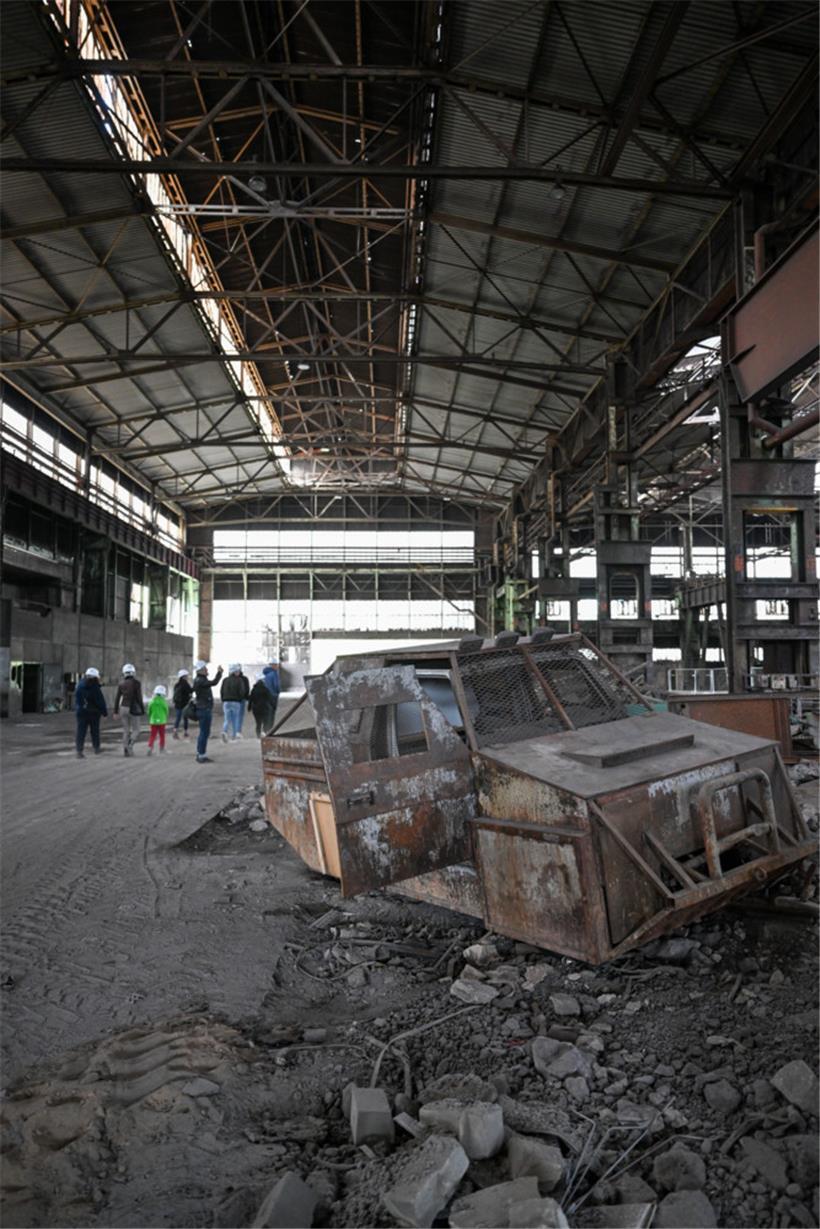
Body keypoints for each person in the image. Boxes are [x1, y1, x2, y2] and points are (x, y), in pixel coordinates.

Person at [192, 660, 223, 763]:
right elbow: (214, 682)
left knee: (204, 732)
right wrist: (219, 673)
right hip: (204, 709)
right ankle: (201, 755)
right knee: (204, 733)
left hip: (203, 708)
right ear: (200, 670)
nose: (207, 670)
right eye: (205, 669)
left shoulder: (199, 680)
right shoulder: (200, 680)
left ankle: (201, 753)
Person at [74, 666, 108, 758]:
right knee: (95, 731)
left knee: (81, 731)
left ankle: (79, 750)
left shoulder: (79, 685)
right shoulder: (95, 687)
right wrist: (104, 712)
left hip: (81, 712)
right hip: (94, 713)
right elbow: (100, 701)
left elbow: (77, 699)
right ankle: (96, 748)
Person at [113, 663, 145, 757]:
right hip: (133, 708)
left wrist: (115, 711)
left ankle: (125, 749)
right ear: (133, 673)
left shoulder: (121, 684)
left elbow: (117, 698)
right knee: (136, 730)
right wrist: (142, 709)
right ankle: (130, 745)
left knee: (126, 730)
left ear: (124, 673)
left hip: (123, 707)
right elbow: (139, 697)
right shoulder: (137, 683)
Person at [220, 663, 245, 743]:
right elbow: (242, 691)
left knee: (227, 719)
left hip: (226, 702)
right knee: (235, 720)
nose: (239, 673)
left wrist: (223, 699)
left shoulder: (225, 680)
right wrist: (240, 699)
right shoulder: (239, 680)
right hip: (236, 702)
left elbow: (221, 691)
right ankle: (233, 736)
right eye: (237, 671)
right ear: (235, 672)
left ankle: (224, 731)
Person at [146, 685, 170, 756]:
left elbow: (148, 711)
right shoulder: (163, 702)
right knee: (162, 735)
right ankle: (161, 748)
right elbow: (166, 711)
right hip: (162, 721)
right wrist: (165, 716)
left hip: (153, 721)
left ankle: (150, 747)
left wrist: (150, 717)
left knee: (153, 735)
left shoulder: (151, 701)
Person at [172, 668, 192, 740]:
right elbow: (190, 691)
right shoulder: (186, 684)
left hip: (177, 704)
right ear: (184, 676)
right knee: (185, 718)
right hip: (184, 704)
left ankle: (175, 731)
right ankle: (185, 732)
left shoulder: (176, 685)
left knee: (178, 718)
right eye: (186, 676)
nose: (187, 677)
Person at [262, 662, 281, 729]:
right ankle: (269, 729)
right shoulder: (274, 674)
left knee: (267, 712)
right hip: (273, 695)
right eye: (277, 665)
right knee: (271, 713)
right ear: (273, 666)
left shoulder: (266, 674)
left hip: (266, 695)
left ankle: (265, 729)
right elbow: (276, 685)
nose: (278, 666)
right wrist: (278, 692)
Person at [235, 667, 251, 738]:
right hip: (241, 700)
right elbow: (247, 689)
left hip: (233, 700)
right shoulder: (244, 679)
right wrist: (247, 698)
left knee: (233, 716)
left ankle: (234, 731)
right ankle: (238, 731)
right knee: (240, 716)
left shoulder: (229, 679)